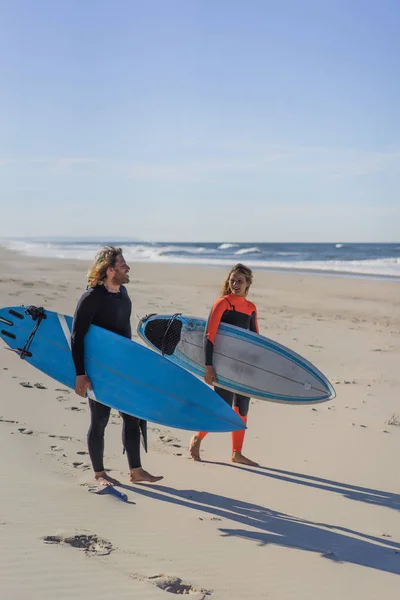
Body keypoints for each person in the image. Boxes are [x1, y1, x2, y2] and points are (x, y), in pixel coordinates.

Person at [71, 246, 163, 486]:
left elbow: (125, 335)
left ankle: (136, 470)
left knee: (132, 418)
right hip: (100, 370)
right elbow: (76, 336)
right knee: (99, 421)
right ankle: (100, 474)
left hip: (123, 369)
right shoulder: (92, 297)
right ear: (110, 270)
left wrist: (134, 366)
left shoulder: (123, 294)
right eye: (123, 265)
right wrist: (80, 374)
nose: (128, 268)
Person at [189, 263, 259, 466]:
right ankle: (198, 437)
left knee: (242, 408)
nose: (235, 284)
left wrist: (257, 368)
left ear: (247, 284)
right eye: (233, 281)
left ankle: (237, 453)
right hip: (223, 365)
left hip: (243, 366)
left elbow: (256, 340)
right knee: (222, 407)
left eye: (240, 281)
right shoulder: (223, 304)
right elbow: (209, 336)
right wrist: (208, 366)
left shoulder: (251, 308)